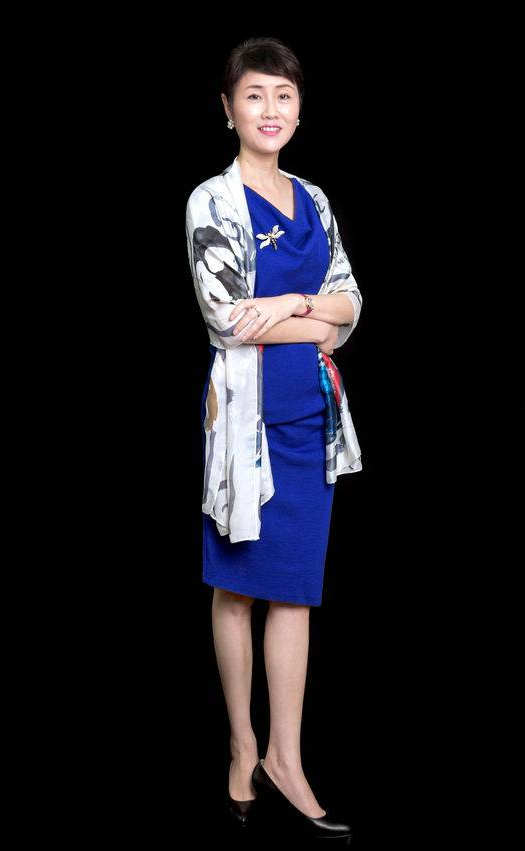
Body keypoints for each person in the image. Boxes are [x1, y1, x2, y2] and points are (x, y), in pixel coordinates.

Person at [187, 37, 361, 839]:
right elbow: (228, 320)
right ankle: (243, 745)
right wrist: (315, 316)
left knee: (295, 589)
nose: (270, 110)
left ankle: (287, 760)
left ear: (298, 109)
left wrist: (291, 303)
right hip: (243, 426)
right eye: (254, 95)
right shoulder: (211, 202)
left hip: (310, 421)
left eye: (283, 96)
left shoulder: (314, 199)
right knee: (238, 585)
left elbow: (350, 306)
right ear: (228, 109)